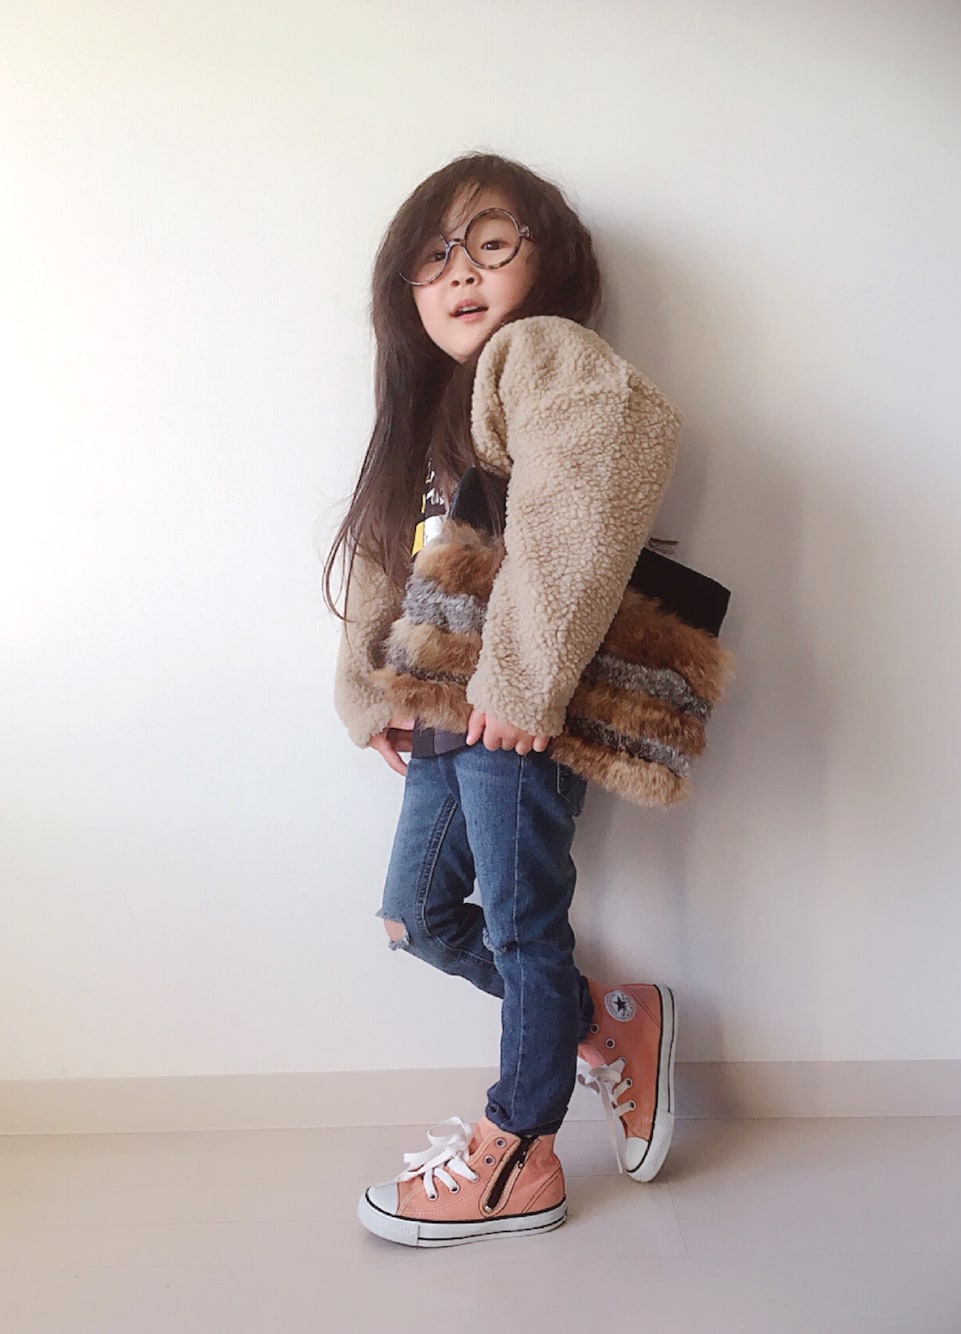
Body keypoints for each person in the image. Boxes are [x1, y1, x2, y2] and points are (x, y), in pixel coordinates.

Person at [327, 152, 682, 1248]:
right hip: (447, 706)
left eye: (490, 244)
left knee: (526, 927)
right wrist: (370, 689)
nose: (461, 273)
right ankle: (610, 1021)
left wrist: (525, 683)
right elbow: (390, 560)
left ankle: (520, 1150)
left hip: (518, 701)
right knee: (418, 917)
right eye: (434, 257)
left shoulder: (544, 354)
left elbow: (584, 500)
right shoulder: (426, 410)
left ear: (549, 261)